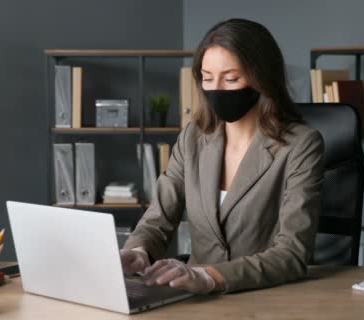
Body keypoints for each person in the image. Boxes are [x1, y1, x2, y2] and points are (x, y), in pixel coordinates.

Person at [120, 18, 325, 294]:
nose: (216, 89)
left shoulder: (301, 145)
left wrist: (209, 276)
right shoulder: (192, 138)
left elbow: (292, 253)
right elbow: (158, 219)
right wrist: (139, 251)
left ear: (262, 78)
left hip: (265, 298)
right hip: (192, 299)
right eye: (207, 78)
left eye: (230, 79)